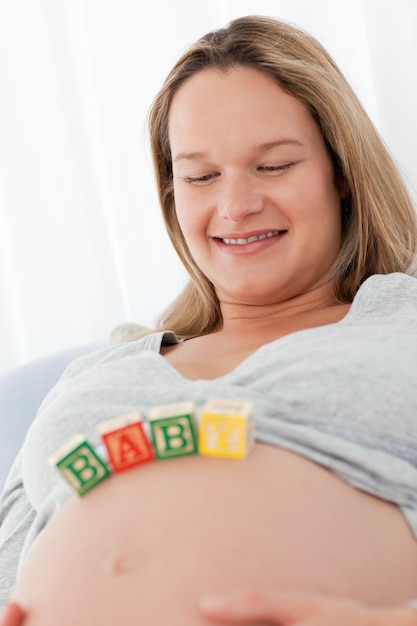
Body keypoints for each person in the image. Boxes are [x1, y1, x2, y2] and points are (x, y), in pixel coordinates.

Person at [0, 13, 417, 626]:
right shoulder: (95, 377)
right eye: (200, 175)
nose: (237, 206)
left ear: (343, 172)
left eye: (273, 166)